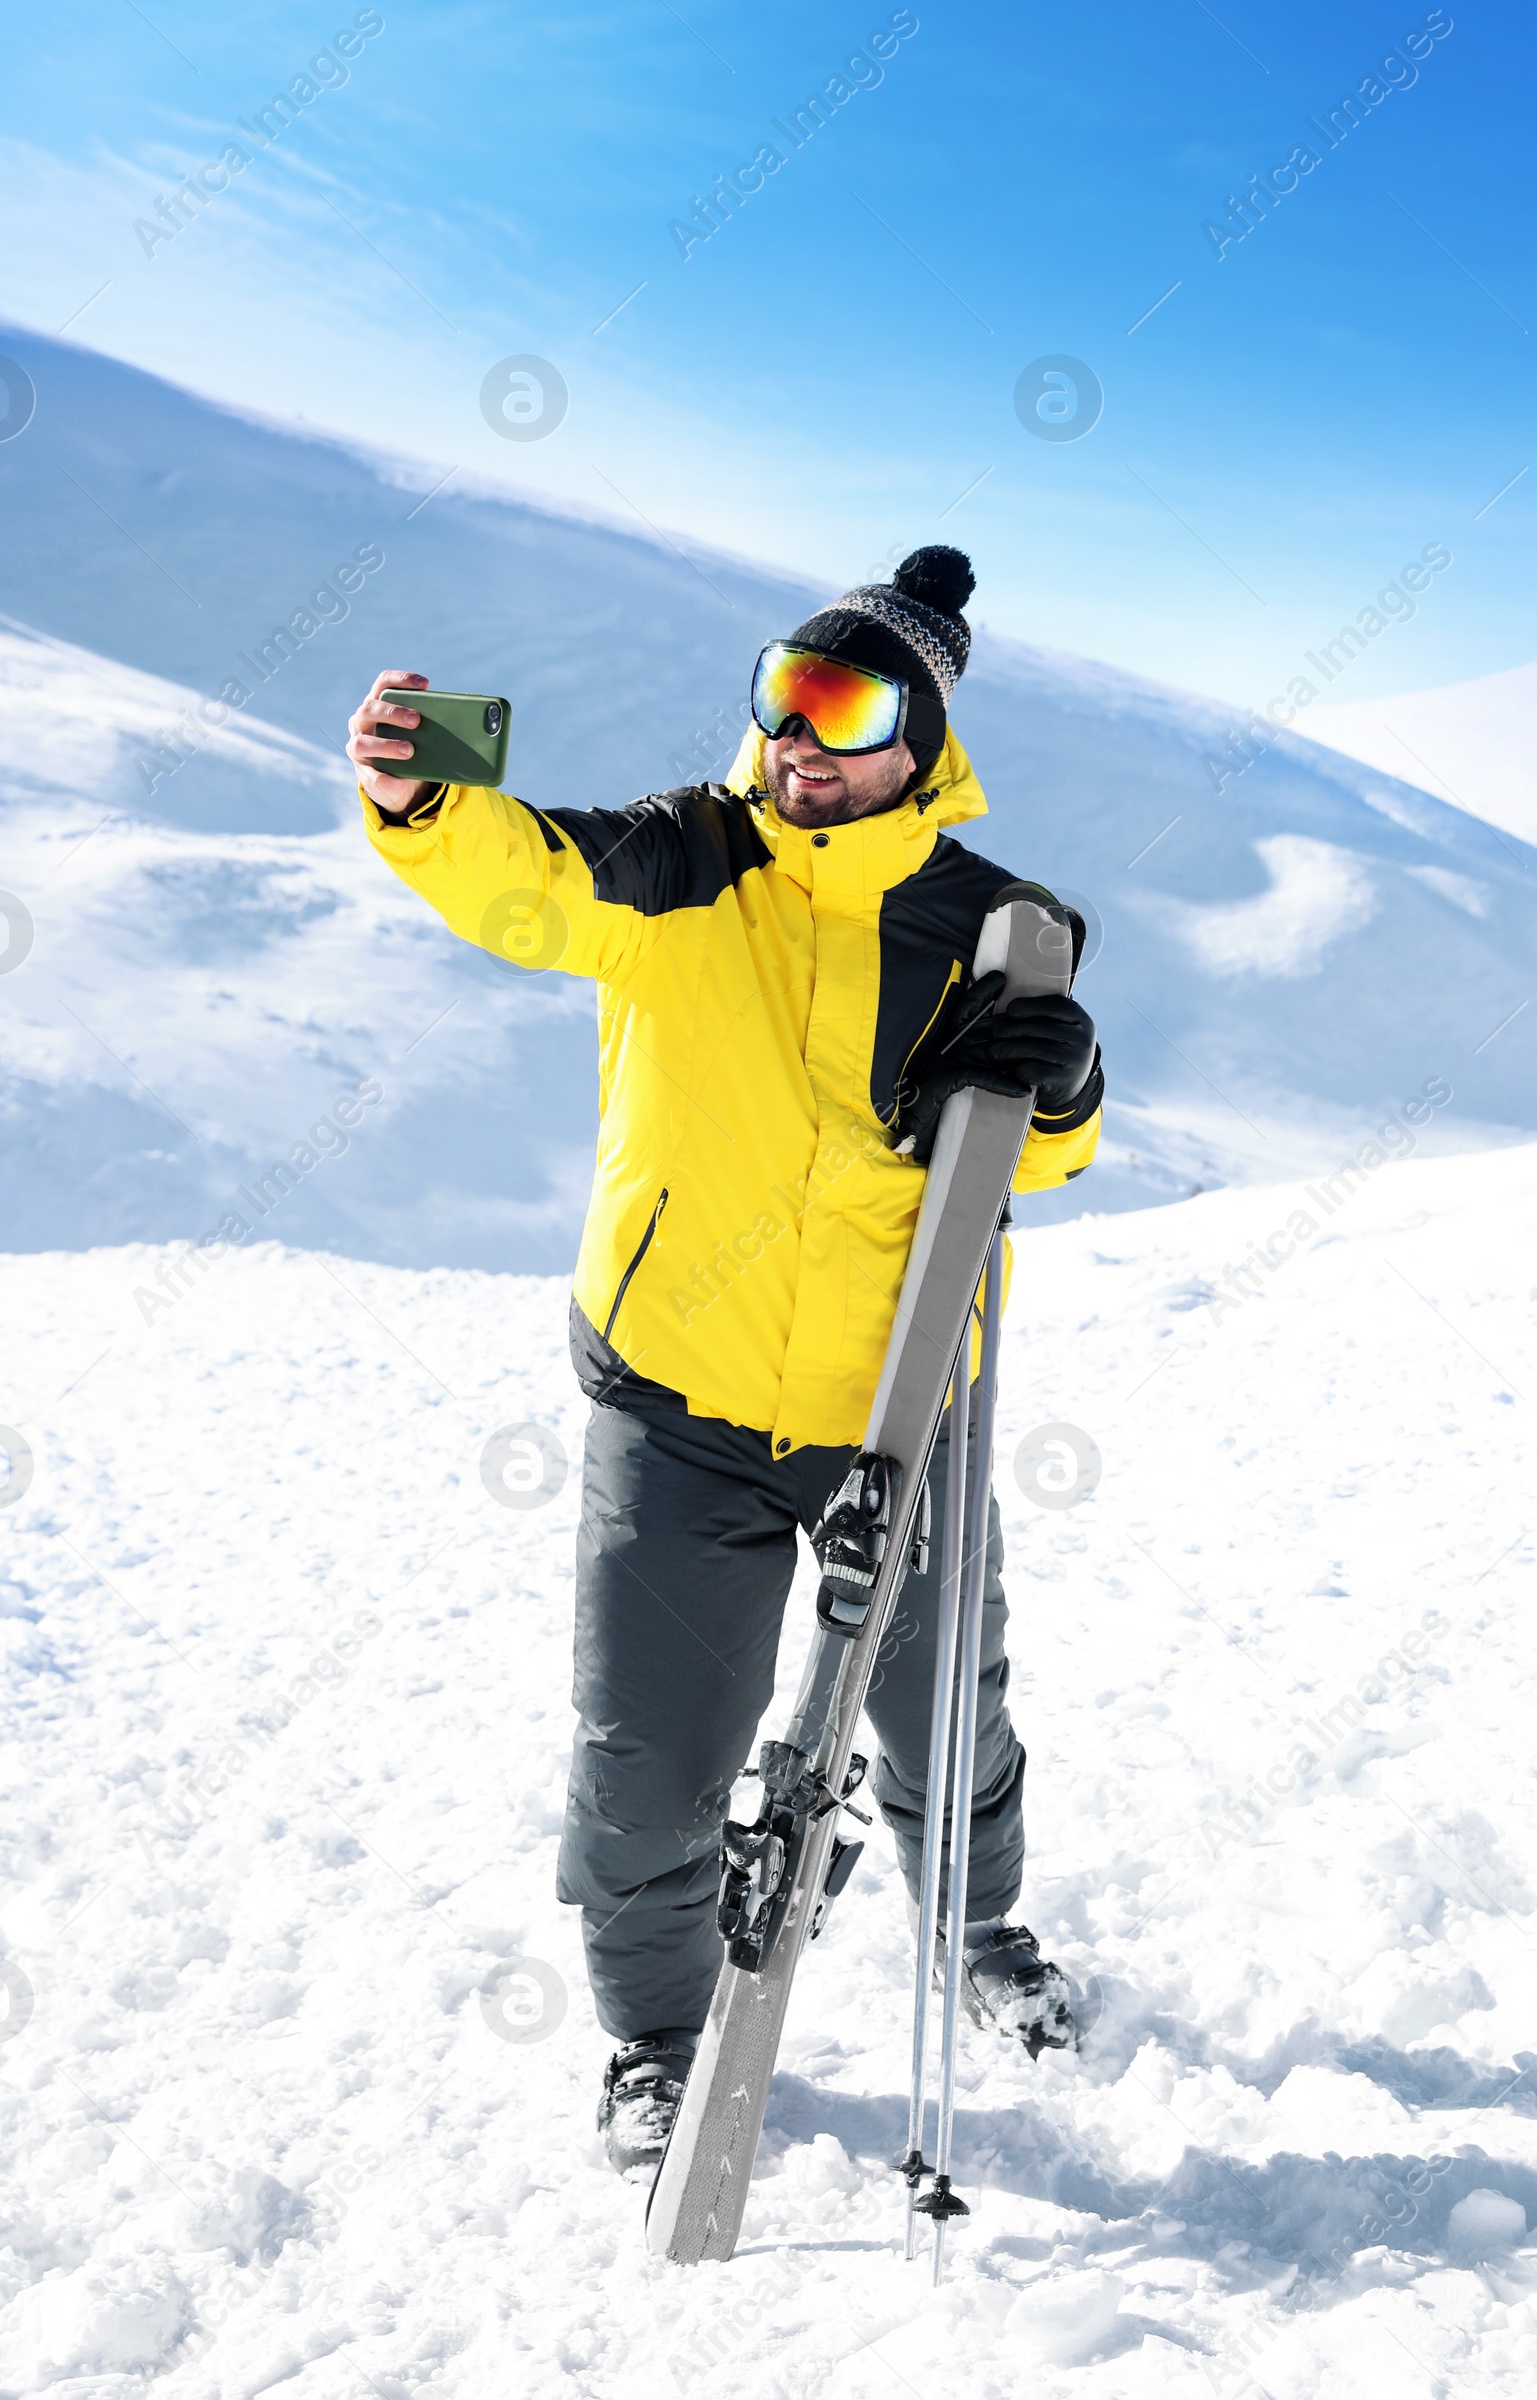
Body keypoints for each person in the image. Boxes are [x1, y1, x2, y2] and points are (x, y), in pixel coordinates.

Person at [347, 547, 1103, 2176]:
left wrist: (1067, 1077)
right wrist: (420, 798)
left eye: (843, 705)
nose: (798, 737)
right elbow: (520, 872)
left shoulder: (999, 926)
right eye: (782, 693)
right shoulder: (681, 861)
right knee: (644, 1768)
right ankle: (657, 2042)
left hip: (899, 1411)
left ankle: (979, 1937)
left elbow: (1035, 1162)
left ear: (923, 739)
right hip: (681, 1407)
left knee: (943, 1720)